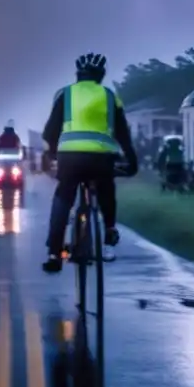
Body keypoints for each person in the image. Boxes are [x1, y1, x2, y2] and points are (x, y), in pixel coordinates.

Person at [40, 53, 138, 273]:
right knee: (106, 190)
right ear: (101, 76)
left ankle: (54, 253)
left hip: (70, 158)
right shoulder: (110, 96)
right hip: (101, 158)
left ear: (78, 75)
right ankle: (109, 234)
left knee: (64, 197)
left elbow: (49, 132)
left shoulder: (65, 94)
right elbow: (124, 135)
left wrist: (54, 153)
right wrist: (132, 162)